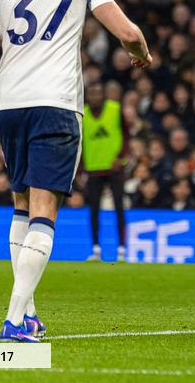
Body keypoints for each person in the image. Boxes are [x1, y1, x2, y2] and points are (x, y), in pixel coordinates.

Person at [0, 0, 151, 342]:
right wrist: (141, 54)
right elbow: (129, 33)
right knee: (45, 209)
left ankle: (28, 313)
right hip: (56, 103)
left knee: (22, 205)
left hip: (11, 105)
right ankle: (13, 319)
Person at [82, 83, 126, 263]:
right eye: (91, 94)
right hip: (93, 169)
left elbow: (127, 135)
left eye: (98, 93)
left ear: (104, 95)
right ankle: (96, 249)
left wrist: (121, 157)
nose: (95, 97)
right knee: (93, 210)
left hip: (114, 167)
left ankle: (122, 250)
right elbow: (80, 141)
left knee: (119, 207)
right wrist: (80, 167)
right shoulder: (83, 113)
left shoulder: (115, 109)